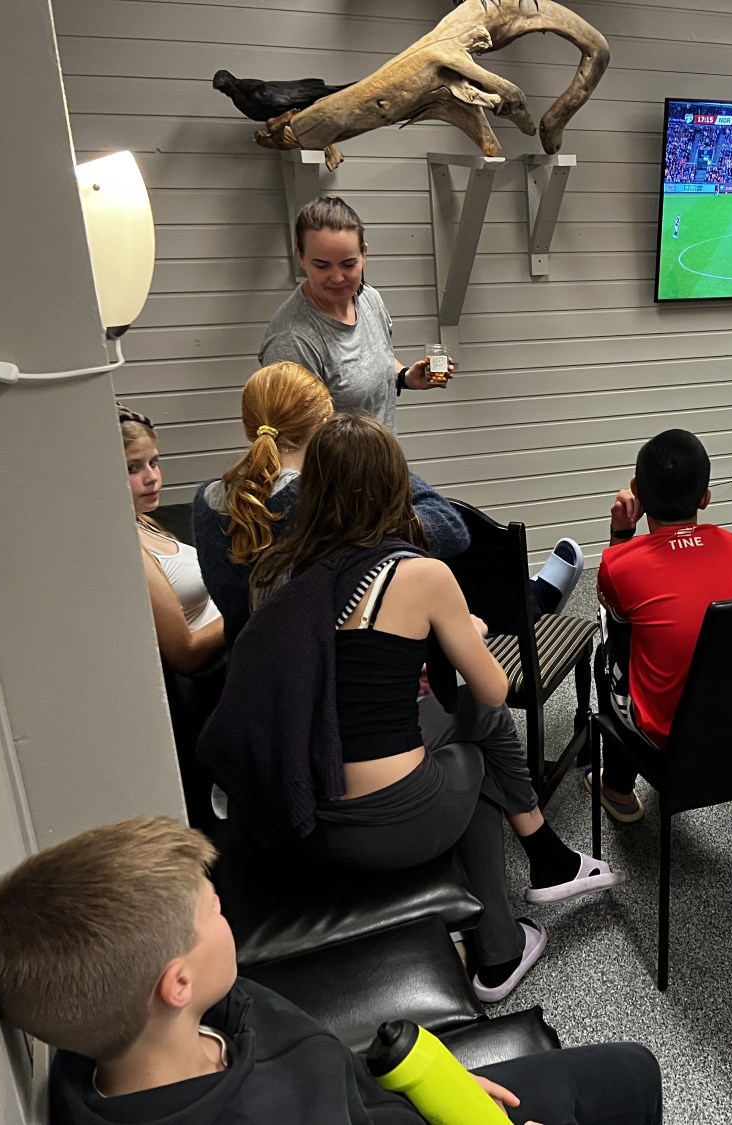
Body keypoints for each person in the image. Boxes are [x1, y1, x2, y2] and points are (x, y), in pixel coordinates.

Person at [198, 415, 621, 1003]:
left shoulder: (276, 570)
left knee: (466, 723)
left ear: (311, 490)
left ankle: (538, 882)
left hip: (299, 812)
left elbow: (323, 671)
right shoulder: (420, 573)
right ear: (398, 489)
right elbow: (496, 688)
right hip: (385, 829)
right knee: (476, 745)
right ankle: (507, 935)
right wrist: (466, 630)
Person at [0, 816, 664, 1125]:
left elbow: (322, 1069)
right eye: (214, 911)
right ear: (175, 983)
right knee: (630, 1080)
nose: (227, 916)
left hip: (398, 1101)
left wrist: (435, 1089)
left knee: (629, 1069)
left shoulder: (121, 1038)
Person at [194, 363, 582, 649]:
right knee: (429, 566)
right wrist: (383, 464)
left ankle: (528, 598)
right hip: (334, 681)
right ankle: (528, 603)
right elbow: (450, 529)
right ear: (326, 423)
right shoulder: (330, 502)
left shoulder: (206, 500)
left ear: (248, 427)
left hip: (251, 677)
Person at [588, 430, 732, 822]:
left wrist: (621, 534)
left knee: (607, 648)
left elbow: (611, 606)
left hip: (668, 738)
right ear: (705, 498)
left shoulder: (620, 563)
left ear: (636, 491)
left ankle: (617, 789)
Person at [259, 196, 448, 434]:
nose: (338, 278)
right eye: (322, 265)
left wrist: (405, 376)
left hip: (381, 455)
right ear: (301, 258)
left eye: (348, 264)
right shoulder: (292, 340)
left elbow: (376, 359)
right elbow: (293, 443)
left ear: (364, 254)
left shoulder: (369, 299)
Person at [119, 404, 225, 674]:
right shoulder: (128, 548)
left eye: (153, 463)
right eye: (132, 468)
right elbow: (185, 654)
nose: (151, 477)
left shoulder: (142, 521)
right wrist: (250, 605)